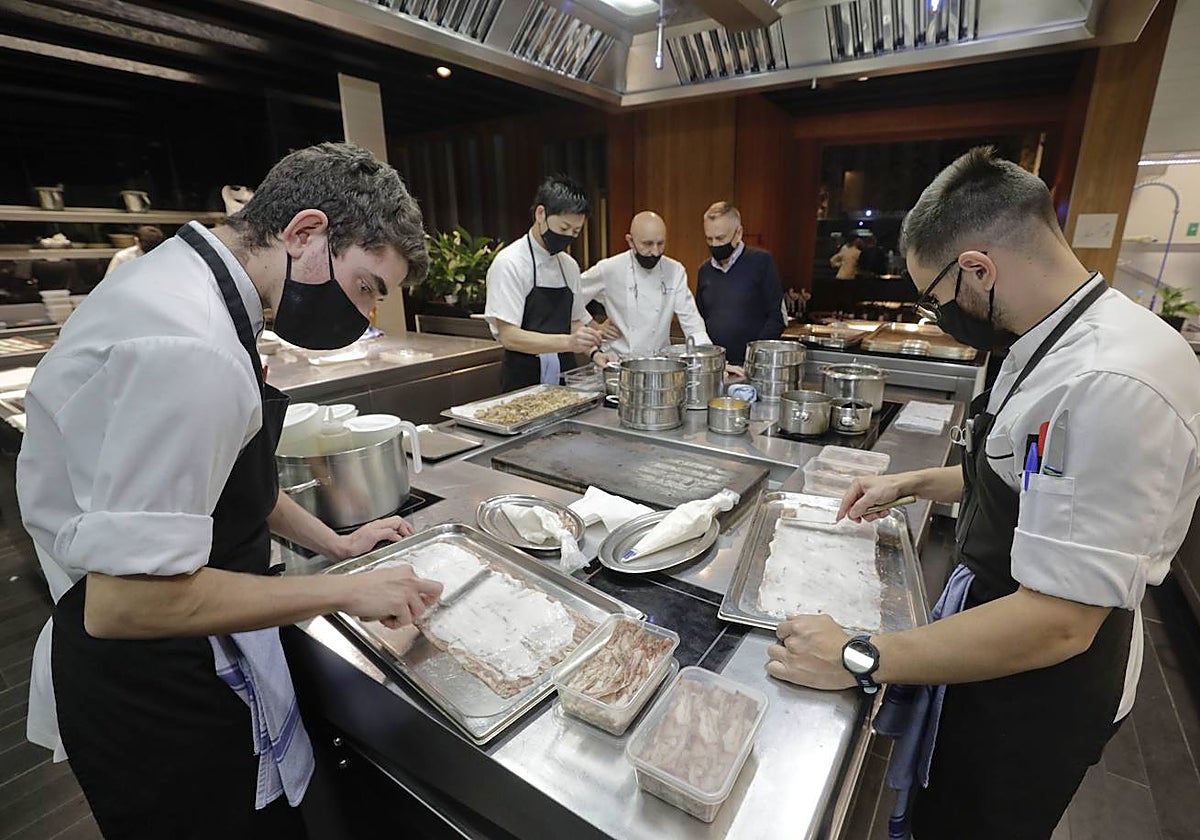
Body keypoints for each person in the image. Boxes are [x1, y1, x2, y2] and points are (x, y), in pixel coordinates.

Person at [765, 146, 1200, 840]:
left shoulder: (1110, 383)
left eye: (936, 300)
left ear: (977, 268)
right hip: (992, 647)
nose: (941, 317)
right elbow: (1024, 479)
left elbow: (1059, 620)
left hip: (1037, 692)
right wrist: (912, 482)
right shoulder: (1046, 341)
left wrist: (860, 654)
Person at [17, 142, 444, 839]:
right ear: (305, 233)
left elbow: (214, 484)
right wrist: (348, 589)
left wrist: (334, 544)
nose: (366, 315)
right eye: (367, 285)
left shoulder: (190, 284)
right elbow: (127, 602)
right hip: (159, 685)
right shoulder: (193, 345)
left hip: (174, 650)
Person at [485, 175, 603, 391]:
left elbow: (574, 321)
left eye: (575, 232)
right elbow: (509, 336)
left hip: (565, 375)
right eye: (564, 228)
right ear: (541, 214)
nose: (568, 236)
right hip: (523, 378)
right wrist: (568, 343)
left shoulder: (569, 265)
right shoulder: (510, 262)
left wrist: (594, 352)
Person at [580, 210, 710, 361]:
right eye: (647, 244)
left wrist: (708, 358)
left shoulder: (675, 271)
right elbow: (572, 299)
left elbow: (692, 321)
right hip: (618, 361)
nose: (655, 252)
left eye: (660, 244)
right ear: (630, 241)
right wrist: (594, 325)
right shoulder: (609, 269)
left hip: (660, 364)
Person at [695, 201, 784, 366]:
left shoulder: (761, 262)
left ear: (738, 233)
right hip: (716, 367)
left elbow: (777, 317)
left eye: (720, 238)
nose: (714, 244)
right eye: (709, 239)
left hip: (754, 366)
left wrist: (754, 359)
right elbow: (699, 319)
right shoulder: (704, 271)